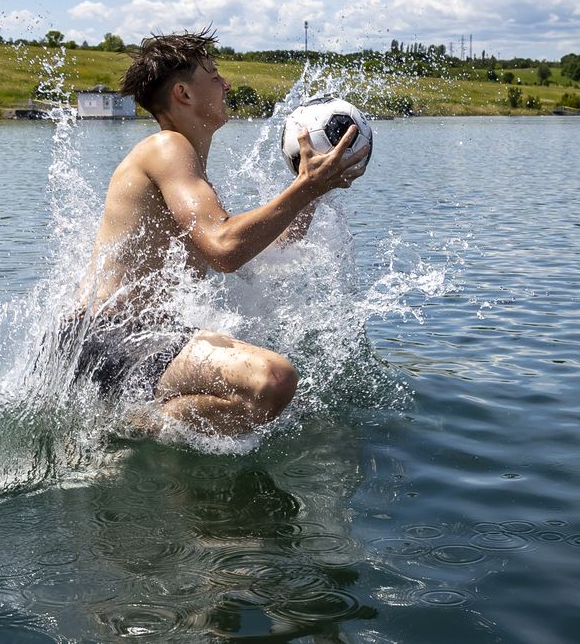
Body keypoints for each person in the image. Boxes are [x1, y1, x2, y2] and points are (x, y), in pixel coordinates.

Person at [64, 28, 368, 437]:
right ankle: (136, 426)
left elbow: (258, 251)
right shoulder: (167, 149)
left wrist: (311, 193)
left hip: (118, 342)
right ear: (184, 94)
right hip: (110, 337)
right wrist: (305, 186)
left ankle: (132, 429)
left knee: (264, 380)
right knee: (271, 379)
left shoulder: (183, 169)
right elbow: (224, 247)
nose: (226, 84)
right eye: (214, 76)